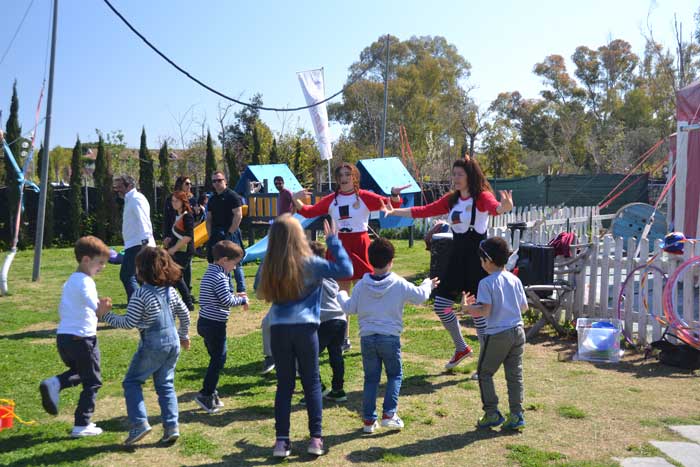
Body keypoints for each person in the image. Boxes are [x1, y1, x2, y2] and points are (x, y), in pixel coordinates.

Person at [381, 158, 513, 369]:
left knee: (478, 312)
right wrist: (394, 211)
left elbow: (494, 207)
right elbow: (424, 210)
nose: (456, 178)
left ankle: (485, 363)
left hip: (477, 262)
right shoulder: (452, 200)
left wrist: (503, 207)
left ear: (470, 176)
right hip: (456, 257)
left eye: (460, 174)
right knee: (442, 305)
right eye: (454, 174)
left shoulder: (482, 197)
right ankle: (461, 347)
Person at [256, 214, 352, 458]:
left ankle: (281, 442)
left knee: (284, 386)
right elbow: (346, 270)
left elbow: (258, 290)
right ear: (299, 235)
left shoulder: (269, 263)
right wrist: (334, 242)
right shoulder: (311, 263)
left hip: (278, 329)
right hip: (306, 329)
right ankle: (315, 439)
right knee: (311, 384)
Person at [293, 162, 409, 351]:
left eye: (348, 174)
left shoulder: (364, 196)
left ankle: (373, 332)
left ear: (355, 177)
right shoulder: (332, 199)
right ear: (337, 179)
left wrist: (394, 193)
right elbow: (308, 211)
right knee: (341, 295)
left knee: (369, 292)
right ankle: (343, 339)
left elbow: (392, 203)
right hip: (340, 248)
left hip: (361, 246)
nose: (345, 178)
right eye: (341, 176)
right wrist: (294, 198)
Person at [338, 238, 438, 433]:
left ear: (369, 259)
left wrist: (341, 294)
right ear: (391, 260)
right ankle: (389, 415)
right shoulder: (398, 283)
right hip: (390, 338)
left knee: (371, 379)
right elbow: (420, 296)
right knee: (394, 375)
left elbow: (349, 308)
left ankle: (368, 421)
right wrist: (428, 284)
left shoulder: (361, 285)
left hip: (367, 338)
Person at [97, 247, 191, 446]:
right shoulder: (171, 291)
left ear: (140, 270)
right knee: (166, 385)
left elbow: (129, 322)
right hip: (172, 342)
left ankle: (139, 423)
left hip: (152, 345)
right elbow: (185, 314)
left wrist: (104, 315)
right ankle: (172, 427)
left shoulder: (141, 294)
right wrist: (183, 335)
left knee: (132, 382)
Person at [39, 236, 112, 437]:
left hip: (64, 337)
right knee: (93, 381)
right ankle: (82, 424)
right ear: (86, 260)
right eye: (100, 263)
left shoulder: (71, 281)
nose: (102, 268)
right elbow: (94, 307)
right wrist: (102, 308)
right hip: (83, 338)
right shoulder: (86, 282)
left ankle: (55, 383)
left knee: (81, 372)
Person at [460, 236, 527, 431]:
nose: (481, 264)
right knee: (515, 375)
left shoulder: (486, 283)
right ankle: (516, 414)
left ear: (488, 261)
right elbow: (523, 307)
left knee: (484, 373)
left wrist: (466, 308)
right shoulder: (514, 279)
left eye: (481, 260)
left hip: (498, 334)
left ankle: (492, 413)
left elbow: (484, 311)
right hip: (518, 331)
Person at [195, 240, 248, 413]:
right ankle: (206, 393)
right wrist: (242, 299)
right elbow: (226, 300)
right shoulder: (220, 276)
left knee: (215, 359)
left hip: (204, 322)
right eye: (234, 264)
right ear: (224, 260)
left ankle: (212, 392)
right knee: (219, 359)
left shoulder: (211, 272)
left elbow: (220, 295)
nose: (234, 268)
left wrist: (235, 294)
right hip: (214, 325)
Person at [304, 240, 348, 403]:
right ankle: (338, 389)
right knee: (335, 354)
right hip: (340, 319)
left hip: (325, 321)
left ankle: (316, 389)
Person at [113, 174, 156, 301]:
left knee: (126, 275)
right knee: (142, 278)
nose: (118, 189)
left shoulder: (136, 199)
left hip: (139, 245)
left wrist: (145, 244)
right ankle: (148, 306)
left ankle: (138, 307)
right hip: (134, 244)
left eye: (121, 186)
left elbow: (143, 221)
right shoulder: (130, 199)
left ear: (130, 186)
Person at [206, 171, 246, 293]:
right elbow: (209, 219)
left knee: (236, 262)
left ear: (225, 181)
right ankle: (228, 290)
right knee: (222, 262)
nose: (217, 183)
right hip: (217, 233)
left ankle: (241, 290)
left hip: (231, 232)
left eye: (219, 180)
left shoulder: (233, 196)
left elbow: (238, 215)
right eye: (214, 181)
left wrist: (230, 233)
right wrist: (210, 235)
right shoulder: (212, 199)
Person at [164, 176, 196, 292]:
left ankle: (186, 296)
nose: (189, 186)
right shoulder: (171, 201)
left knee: (178, 273)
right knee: (175, 273)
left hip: (184, 245)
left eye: (190, 184)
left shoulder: (190, 205)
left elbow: (189, 233)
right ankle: (185, 297)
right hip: (174, 240)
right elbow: (167, 220)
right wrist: (166, 237)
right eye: (187, 183)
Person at [165, 191, 195, 311]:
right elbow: (178, 234)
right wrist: (169, 240)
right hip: (176, 251)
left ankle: (187, 303)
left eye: (176, 201)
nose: (174, 203)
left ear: (183, 202)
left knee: (176, 277)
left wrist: (173, 249)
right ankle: (183, 303)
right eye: (172, 201)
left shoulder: (187, 216)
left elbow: (188, 237)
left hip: (184, 252)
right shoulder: (175, 215)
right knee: (175, 277)